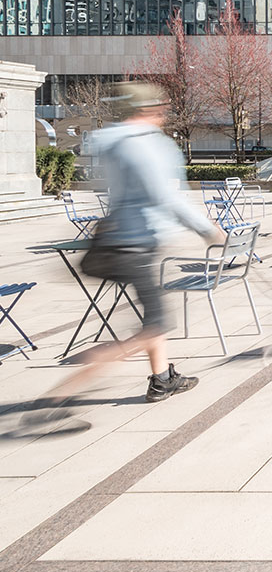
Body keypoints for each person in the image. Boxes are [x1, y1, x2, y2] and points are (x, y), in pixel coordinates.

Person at [22, 82, 226, 435]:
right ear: (149, 111)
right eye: (161, 108)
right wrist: (207, 229)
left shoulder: (113, 143)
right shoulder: (145, 146)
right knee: (153, 326)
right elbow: (165, 195)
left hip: (122, 241)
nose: (164, 115)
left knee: (154, 319)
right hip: (137, 246)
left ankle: (161, 378)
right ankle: (56, 399)